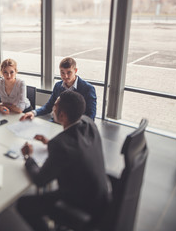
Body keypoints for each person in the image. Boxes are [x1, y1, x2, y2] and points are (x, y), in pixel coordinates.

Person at [17, 91, 110, 231]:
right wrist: (49, 143)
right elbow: (75, 149)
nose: (53, 108)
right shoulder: (88, 122)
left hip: (81, 204)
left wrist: (28, 157)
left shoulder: (60, 144)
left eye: (55, 105)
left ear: (62, 115)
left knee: (23, 204)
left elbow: (40, 180)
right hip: (101, 196)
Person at [20, 57, 96, 121]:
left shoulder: (88, 89)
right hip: (56, 122)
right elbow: (48, 106)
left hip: (75, 126)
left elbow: (90, 116)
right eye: (62, 72)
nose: (65, 76)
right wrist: (33, 113)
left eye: (69, 72)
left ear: (75, 71)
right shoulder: (58, 86)